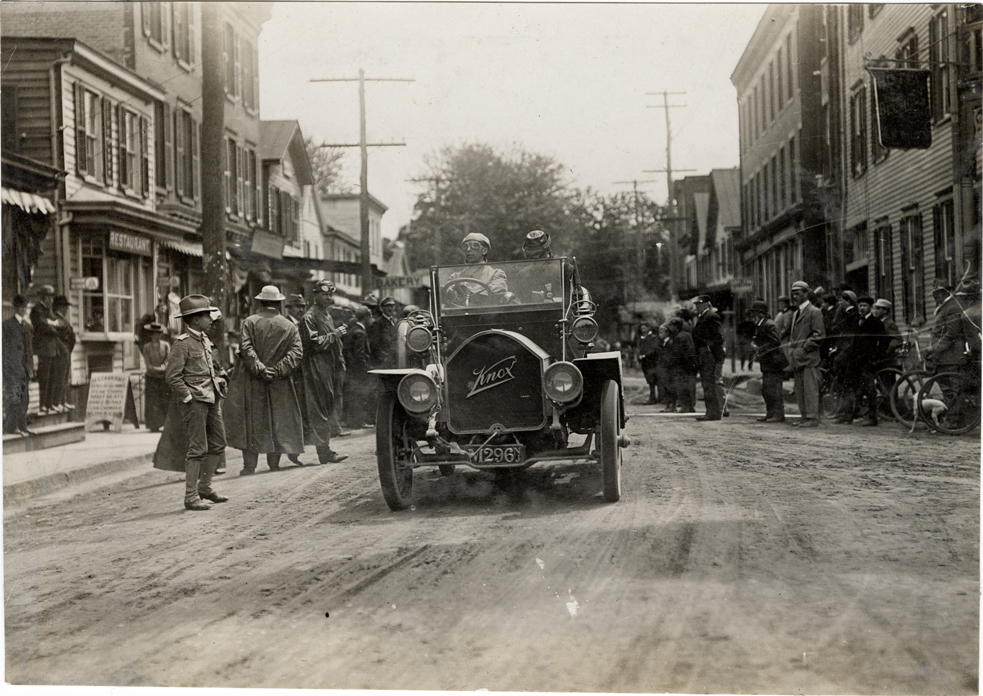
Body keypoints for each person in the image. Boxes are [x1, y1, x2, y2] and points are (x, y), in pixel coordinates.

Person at [152, 295, 229, 511]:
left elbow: (206, 369)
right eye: (206, 316)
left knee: (218, 442)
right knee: (198, 448)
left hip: (211, 397)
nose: (211, 319)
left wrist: (218, 381)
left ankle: (204, 487)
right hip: (195, 401)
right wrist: (187, 397)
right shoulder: (182, 344)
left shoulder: (204, 339)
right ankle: (191, 496)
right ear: (195, 320)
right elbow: (173, 376)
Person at [225, 286, 305, 474]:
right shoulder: (289, 326)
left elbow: (246, 348)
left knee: (251, 420)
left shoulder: (250, 322)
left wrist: (260, 369)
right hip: (280, 381)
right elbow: (297, 352)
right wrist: (277, 369)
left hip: (253, 380)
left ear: (260, 302)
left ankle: (249, 466)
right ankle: (274, 464)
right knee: (277, 418)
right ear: (279, 303)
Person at [298, 280, 349, 464]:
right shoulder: (309, 317)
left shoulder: (326, 314)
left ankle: (324, 449)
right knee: (319, 409)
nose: (328, 297)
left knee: (326, 407)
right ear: (316, 295)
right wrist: (335, 334)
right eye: (324, 294)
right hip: (316, 367)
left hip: (329, 366)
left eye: (330, 294)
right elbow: (311, 344)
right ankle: (324, 452)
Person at [786, 280, 826, 427]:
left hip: (809, 358)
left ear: (806, 294)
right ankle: (805, 416)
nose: (794, 297)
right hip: (798, 358)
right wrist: (792, 351)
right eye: (793, 294)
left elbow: (819, 335)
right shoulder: (797, 313)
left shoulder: (814, 312)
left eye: (797, 294)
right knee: (800, 389)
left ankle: (813, 418)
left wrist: (803, 349)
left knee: (810, 388)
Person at [749, 300, 789, 423]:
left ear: (761, 313)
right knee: (767, 389)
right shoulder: (763, 324)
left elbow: (775, 342)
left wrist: (759, 348)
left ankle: (778, 414)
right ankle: (771, 413)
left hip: (774, 362)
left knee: (774, 389)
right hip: (769, 362)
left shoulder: (769, 324)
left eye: (755, 313)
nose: (753, 315)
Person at [444, 232, 508, 305]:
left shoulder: (496, 274)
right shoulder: (455, 277)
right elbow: (446, 294)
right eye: (465, 246)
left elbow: (493, 294)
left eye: (475, 245)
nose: (468, 249)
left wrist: (465, 293)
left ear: (484, 251)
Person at [3, 295, 35, 435]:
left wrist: (31, 368)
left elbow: (30, 349)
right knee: (13, 399)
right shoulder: (7, 325)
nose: (24, 309)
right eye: (22, 307)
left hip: (25, 369)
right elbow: (4, 349)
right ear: (16, 308)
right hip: (12, 368)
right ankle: (11, 427)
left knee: (24, 399)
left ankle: (22, 426)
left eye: (26, 307)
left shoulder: (27, 327)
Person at [691, 295, 726, 421]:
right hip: (704, 354)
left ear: (706, 304)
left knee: (709, 384)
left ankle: (712, 412)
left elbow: (718, 337)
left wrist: (709, 349)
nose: (698, 307)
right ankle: (711, 411)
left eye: (699, 305)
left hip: (708, 355)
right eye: (696, 305)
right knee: (707, 384)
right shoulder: (705, 317)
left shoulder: (711, 316)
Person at [30, 284, 60, 414]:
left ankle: (49, 404)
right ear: (44, 297)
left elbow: (58, 324)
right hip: (43, 349)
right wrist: (52, 324)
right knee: (44, 377)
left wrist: (52, 323)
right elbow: (42, 326)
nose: (51, 300)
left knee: (52, 377)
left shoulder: (49, 310)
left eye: (52, 297)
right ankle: (42, 404)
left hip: (52, 348)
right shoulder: (37, 310)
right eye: (49, 297)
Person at [343, 305, 373, 428]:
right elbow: (360, 354)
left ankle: (353, 421)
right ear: (365, 317)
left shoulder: (353, 330)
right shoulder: (360, 332)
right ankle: (359, 422)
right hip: (359, 370)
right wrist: (365, 368)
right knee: (360, 395)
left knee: (353, 395)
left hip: (352, 369)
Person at [141, 322, 171, 432]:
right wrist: (153, 369)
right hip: (151, 377)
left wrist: (162, 368)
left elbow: (168, 360)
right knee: (152, 401)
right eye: (153, 334)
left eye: (157, 334)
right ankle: (153, 425)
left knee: (164, 399)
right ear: (150, 335)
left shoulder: (166, 346)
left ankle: (165, 424)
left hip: (163, 377)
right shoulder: (146, 347)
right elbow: (147, 363)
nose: (155, 336)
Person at [666, 317, 698, 413]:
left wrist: (672, 363)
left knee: (681, 386)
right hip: (690, 365)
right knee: (690, 387)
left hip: (681, 366)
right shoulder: (687, 335)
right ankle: (691, 406)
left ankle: (685, 406)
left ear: (675, 326)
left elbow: (678, 353)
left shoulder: (679, 337)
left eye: (671, 326)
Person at [50, 295, 76, 412]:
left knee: (64, 378)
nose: (67, 309)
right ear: (60, 307)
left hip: (66, 353)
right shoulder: (56, 319)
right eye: (65, 307)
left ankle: (62, 401)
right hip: (61, 354)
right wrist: (65, 350)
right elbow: (57, 338)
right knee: (59, 378)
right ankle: (57, 402)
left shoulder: (62, 320)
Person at [368, 296, 399, 370]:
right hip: (382, 362)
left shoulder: (393, 322)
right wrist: (385, 358)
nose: (390, 309)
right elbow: (374, 344)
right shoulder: (377, 323)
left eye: (392, 306)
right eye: (387, 306)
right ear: (382, 308)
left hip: (393, 361)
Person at [654, 324, 677, 411]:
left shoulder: (670, 343)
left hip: (668, 368)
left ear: (667, 333)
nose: (660, 334)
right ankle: (669, 405)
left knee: (670, 387)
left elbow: (669, 356)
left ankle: (672, 406)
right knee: (666, 387)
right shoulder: (663, 343)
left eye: (661, 332)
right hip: (664, 367)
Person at [871, 299, 902, 364]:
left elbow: (896, 340)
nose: (875, 311)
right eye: (875, 309)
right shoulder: (879, 322)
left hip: (886, 358)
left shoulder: (890, 323)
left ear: (885, 310)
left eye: (878, 309)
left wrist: (885, 353)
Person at [636, 323, 660, 404]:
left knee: (653, 380)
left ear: (649, 328)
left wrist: (645, 355)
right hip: (645, 362)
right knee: (650, 381)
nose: (643, 330)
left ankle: (655, 398)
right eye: (642, 329)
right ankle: (653, 397)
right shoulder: (642, 339)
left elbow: (654, 349)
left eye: (645, 328)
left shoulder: (653, 338)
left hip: (652, 362)